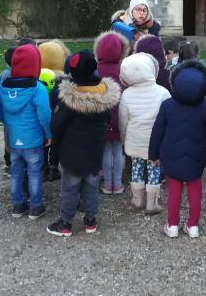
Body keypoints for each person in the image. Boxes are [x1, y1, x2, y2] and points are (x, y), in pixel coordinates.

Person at [47, 51, 122, 237]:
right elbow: (106, 119)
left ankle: (65, 223)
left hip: (72, 152)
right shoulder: (104, 95)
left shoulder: (68, 99)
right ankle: (90, 220)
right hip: (95, 150)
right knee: (91, 185)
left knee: (70, 187)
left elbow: (56, 125)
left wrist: (55, 147)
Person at [149, 59, 206, 238]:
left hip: (171, 155)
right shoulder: (205, 108)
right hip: (197, 157)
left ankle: (172, 225)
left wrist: (153, 154)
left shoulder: (167, 106)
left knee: (174, 191)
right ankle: (193, 225)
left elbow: (157, 132)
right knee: (195, 190)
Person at [0, 44, 51, 220]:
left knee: (16, 170)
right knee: (34, 172)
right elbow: (44, 115)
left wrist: (9, 122)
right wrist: (48, 134)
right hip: (33, 139)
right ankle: (35, 206)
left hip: (14, 138)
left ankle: (17, 205)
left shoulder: (3, 86)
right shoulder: (37, 89)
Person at [119, 52, 172, 213]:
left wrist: (123, 139)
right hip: (156, 141)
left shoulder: (127, 94)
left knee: (136, 168)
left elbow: (123, 120)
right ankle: (152, 203)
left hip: (135, 140)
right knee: (154, 169)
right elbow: (168, 120)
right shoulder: (163, 92)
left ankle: (137, 200)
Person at [93, 31, 130, 194]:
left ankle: (108, 184)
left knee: (106, 151)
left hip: (102, 116)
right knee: (118, 149)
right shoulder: (124, 70)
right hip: (120, 115)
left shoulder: (95, 71)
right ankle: (118, 183)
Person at [0, 38, 39, 174]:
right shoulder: (30, 80)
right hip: (23, 120)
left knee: (10, 138)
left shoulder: (4, 75)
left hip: (9, 116)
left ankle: (11, 163)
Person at [39, 39, 72, 181]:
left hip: (41, 120)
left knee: (43, 144)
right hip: (57, 119)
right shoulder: (61, 84)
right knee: (55, 144)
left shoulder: (36, 81)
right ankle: (53, 167)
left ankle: (44, 167)